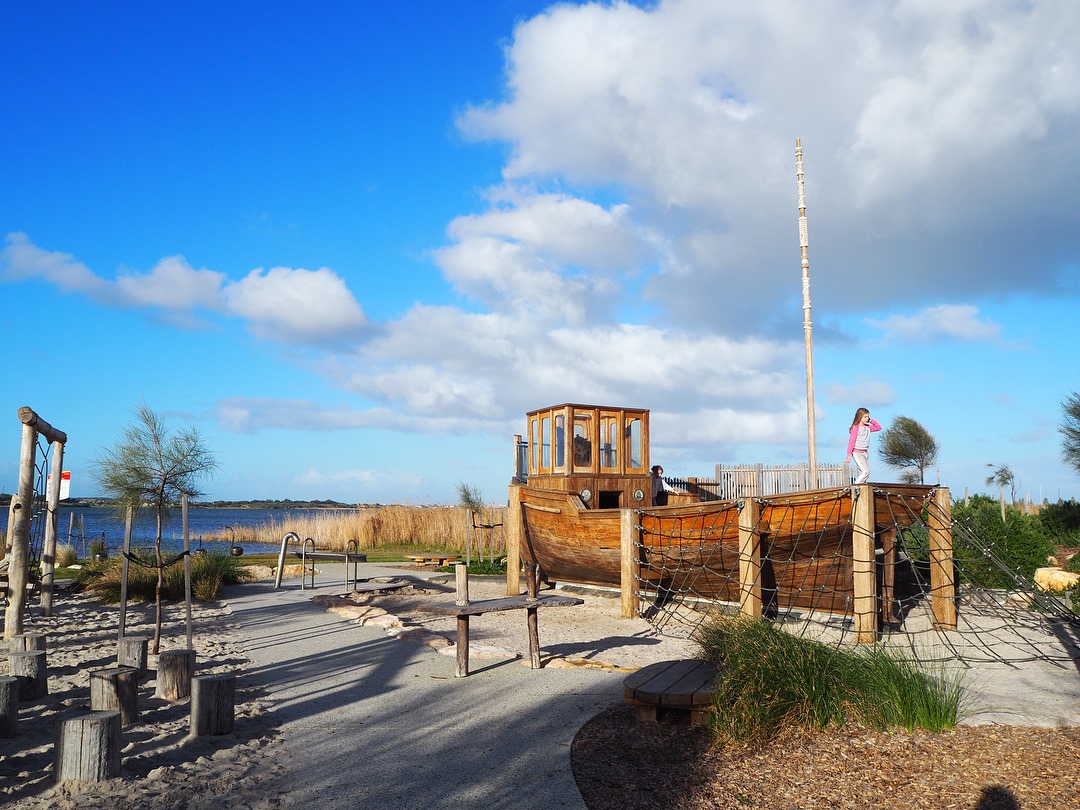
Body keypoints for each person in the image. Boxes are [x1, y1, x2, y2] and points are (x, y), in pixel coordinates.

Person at [846, 407, 882, 485]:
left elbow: (879, 427)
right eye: (865, 417)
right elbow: (851, 441)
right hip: (857, 452)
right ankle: (854, 487)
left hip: (865, 453)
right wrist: (849, 454)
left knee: (863, 474)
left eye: (868, 417)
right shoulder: (856, 428)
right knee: (865, 472)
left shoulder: (868, 428)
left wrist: (871, 420)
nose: (867, 418)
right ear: (860, 417)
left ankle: (859, 490)